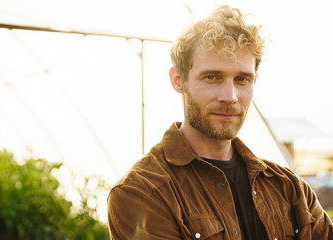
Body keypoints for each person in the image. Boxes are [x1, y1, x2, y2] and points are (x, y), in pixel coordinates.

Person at [107, 5, 333, 240]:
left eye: (242, 79)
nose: (230, 96)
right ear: (178, 80)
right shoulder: (143, 191)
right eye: (212, 77)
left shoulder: (289, 189)